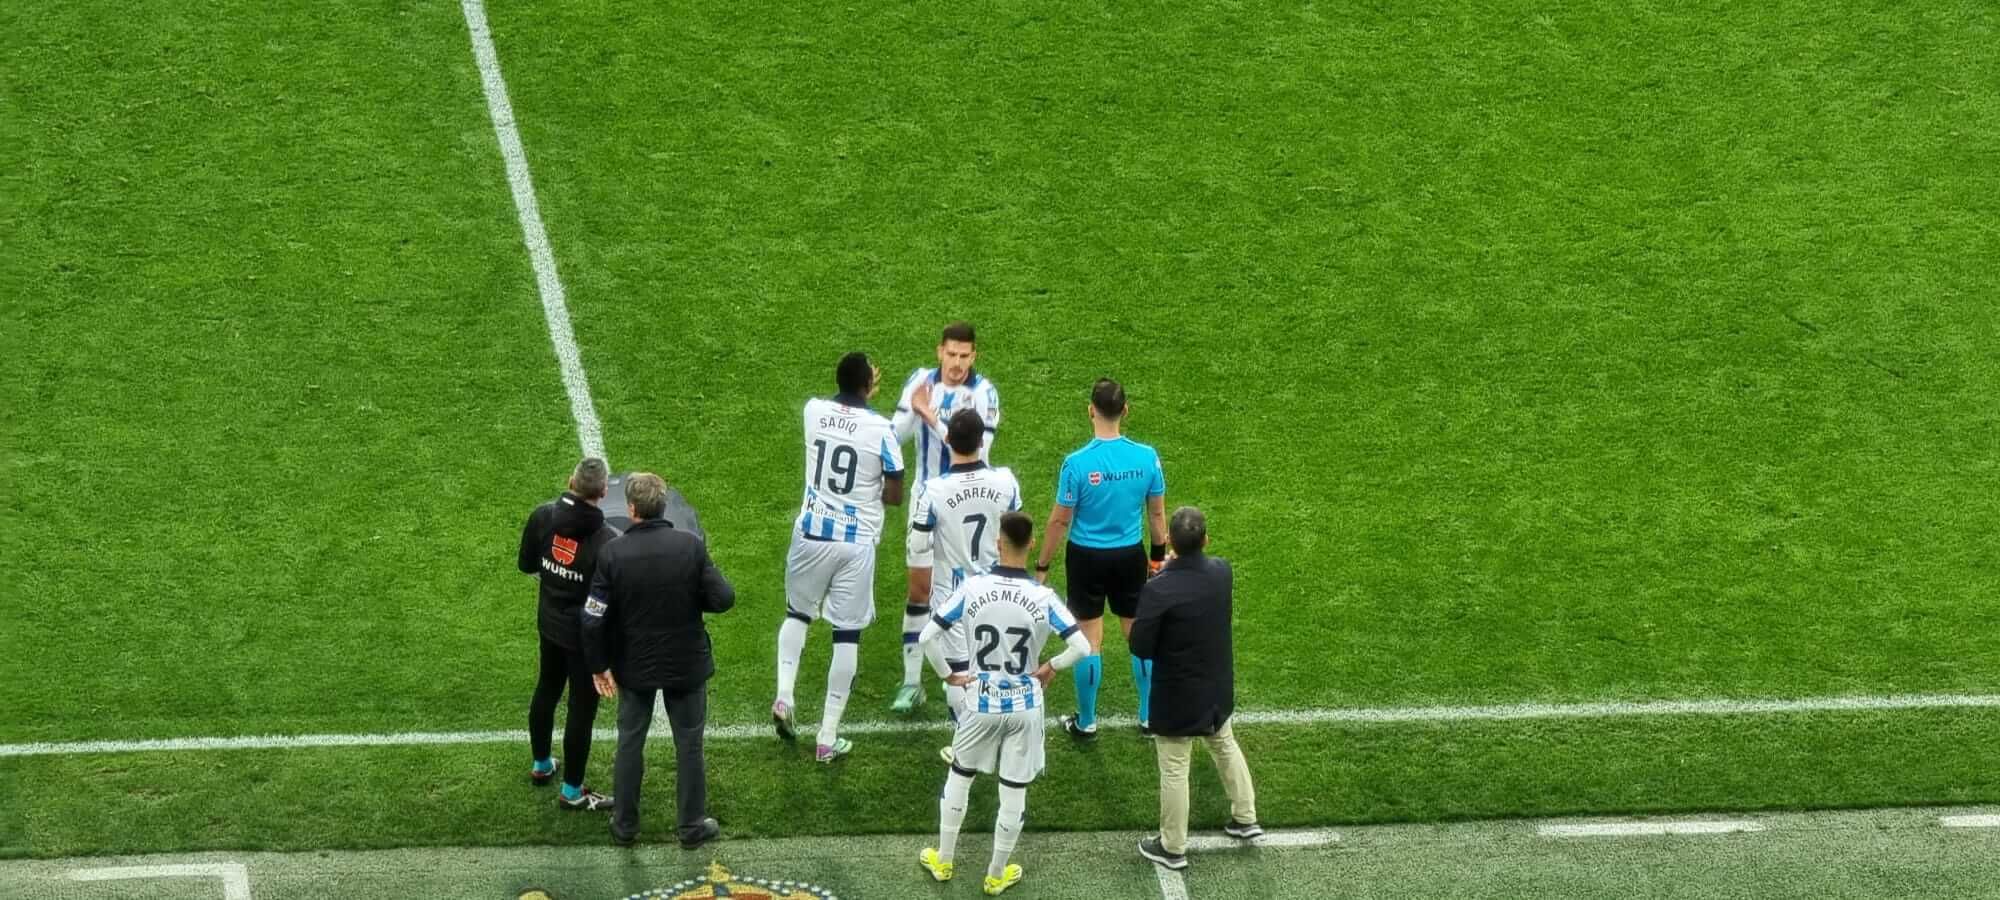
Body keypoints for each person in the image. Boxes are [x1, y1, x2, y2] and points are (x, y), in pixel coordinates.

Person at [915, 512, 1091, 896]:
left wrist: (948, 675)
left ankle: (943, 860)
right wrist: (1051, 667)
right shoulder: (1043, 597)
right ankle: (996, 873)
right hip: (1025, 705)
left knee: (960, 777)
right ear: (1031, 544)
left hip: (980, 701)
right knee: (1013, 791)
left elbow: (928, 637)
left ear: (998, 542)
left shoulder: (973, 588)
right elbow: (1082, 645)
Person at [580, 472, 734, 848]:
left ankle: (625, 826)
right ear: (662, 506)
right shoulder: (690, 547)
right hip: (686, 663)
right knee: (690, 744)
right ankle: (691, 826)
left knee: (630, 741)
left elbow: (592, 617)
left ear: (631, 509)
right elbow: (723, 598)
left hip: (634, 664)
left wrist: (599, 666)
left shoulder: (612, 553)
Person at [773, 352, 906, 762]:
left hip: (811, 531)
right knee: (846, 634)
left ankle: (783, 695)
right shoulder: (883, 430)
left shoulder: (813, 411)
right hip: (856, 542)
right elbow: (895, 493)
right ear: (870, 384)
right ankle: (827, 736)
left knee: (797, 613)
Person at [1033, 378, 1168, 740]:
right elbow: (1156, 516)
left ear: (1090, 409)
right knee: (1137, 635)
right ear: (1125, 410)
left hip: (1086, 559)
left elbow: (1059, 520)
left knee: (1089, 639)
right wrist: (1156, 560)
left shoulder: (1076, 464)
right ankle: (1149, 716)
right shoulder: (1146, 457)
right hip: (1129, 557)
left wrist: (1042, 565)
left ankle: (1087, 721)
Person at [1131, 507, 1262, 871]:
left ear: (1169, 541)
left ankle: (1172, 847)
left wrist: (1164, 572)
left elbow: (1140, 646)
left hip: (1177, 694)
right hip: (1216, 686)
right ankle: (1246, 817)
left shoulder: (1159, 589)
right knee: (1224, 743)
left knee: (1175, 769)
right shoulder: (1222, 572)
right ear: (1205, 540)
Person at [890, 322, 1001, 712]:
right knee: (920, 589)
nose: (957, 363)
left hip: (963, 501)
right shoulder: (920, 381)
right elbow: (897, 433)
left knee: (967, 589)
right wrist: (912, 410)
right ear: (940, 351)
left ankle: (967, 671)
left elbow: (979, 451)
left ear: (975, 356)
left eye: (964, 355)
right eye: (951, 354)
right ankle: (910, 681)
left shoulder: (984, 393)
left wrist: (928, 413)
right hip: (924, 500)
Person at [904, 408, 1022, 724]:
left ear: (948, 442)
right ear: (982, 441)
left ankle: (964, 744)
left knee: (958, 672)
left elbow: (917, 545)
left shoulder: (933, 491)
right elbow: (1018, 534)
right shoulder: (1006, 482)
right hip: (998, 587)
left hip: (953, 592)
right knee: (996, 664)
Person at [515, 457, 619, 811]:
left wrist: (557, 580)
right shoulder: (607, 540)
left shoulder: (542, 516)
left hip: (549, 622)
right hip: (584, 638)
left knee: (547, 687)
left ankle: (541, 764)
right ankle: (573, 791)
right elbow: (609, 601)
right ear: (603, 492)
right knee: (581, 708)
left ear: (568, 481)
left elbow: (528, 565)